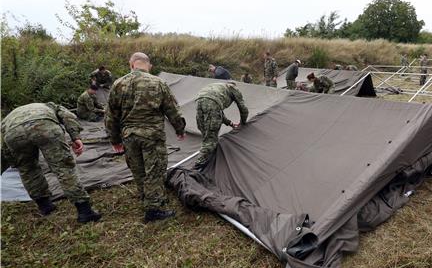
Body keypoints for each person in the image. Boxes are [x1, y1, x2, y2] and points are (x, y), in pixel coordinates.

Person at [105, 52, 186, 222]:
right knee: (154, 171)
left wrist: (115, 140)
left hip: (129, 136)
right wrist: (179, 129)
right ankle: (154, 210)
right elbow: (172, 110)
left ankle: (146, 198)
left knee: (139, 170)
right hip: (152, 136)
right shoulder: (158, 83)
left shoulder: (118, 84)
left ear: (131, 64)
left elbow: (111, 116)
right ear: (149, 66)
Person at [1, 103, 101, 223]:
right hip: (45, 126)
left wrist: (15, 162)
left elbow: (3, 145)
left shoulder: (8, 118)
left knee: (28, 170)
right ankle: (84, 211)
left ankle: (45, 206)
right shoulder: (52, 106)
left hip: (13, 133)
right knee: (63, 167)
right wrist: (76, 137)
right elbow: (68, 116)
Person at [194, 82, 248, 171]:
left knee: (203, 129)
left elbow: (217, 111)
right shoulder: (234, 89)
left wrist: (229, 123)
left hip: (199, 100)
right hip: (212, 102)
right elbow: (243, 108)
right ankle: (197, 166)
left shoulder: (218, 86)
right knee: (211, 139)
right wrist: (243, 122)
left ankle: (207, 149)